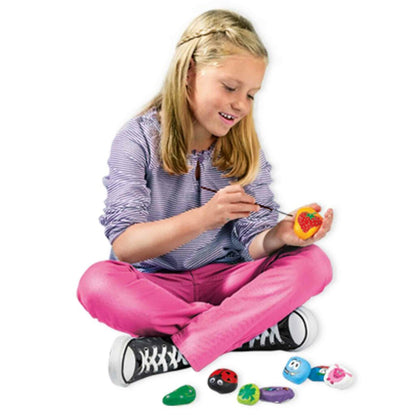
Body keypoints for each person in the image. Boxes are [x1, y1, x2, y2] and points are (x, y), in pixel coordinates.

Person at [77, 9, 334, 387]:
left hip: (228, 281)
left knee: (314, 263)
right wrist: (205, 217)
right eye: (230, 88)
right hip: (156, 287)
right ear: (188, 74)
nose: (241, 104)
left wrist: (280, 235)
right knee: (96, 283)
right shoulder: (136, 140)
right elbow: (126, 246)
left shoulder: (244, 148)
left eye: (250, 94)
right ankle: (247, 329)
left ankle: (181, 346)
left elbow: (255, 239)